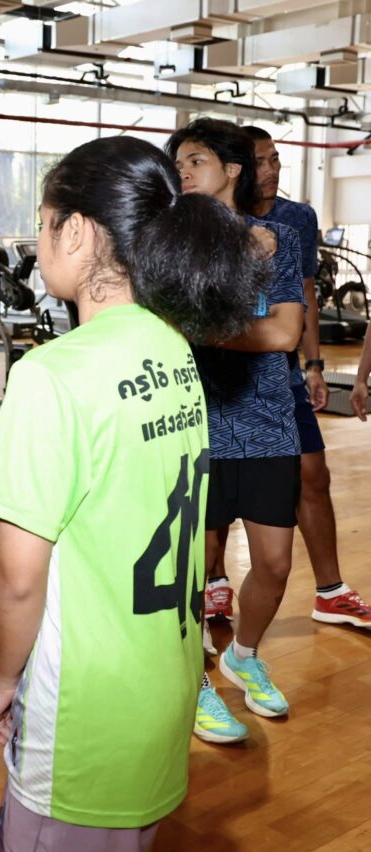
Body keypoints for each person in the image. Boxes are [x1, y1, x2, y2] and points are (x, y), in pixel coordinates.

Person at [0, 136, 266, 852]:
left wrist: (5, 680)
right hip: (162, 687)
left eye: (43, 224)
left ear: (76, 232)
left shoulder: (51, 376)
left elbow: (18, 577)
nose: (38, 243)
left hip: (83, 715)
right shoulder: (177, 352)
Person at [167, 118, 304, 743]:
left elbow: (286, 332)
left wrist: (201, 331)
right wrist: (232, 329)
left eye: (196, 160)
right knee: (193, 573)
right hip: (193, 424)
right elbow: (177, 327)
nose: (184, 171)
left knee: (275, 561)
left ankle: (242, 656)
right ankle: (191, 680)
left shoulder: (279, 239)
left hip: (268, 421)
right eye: (178, 163)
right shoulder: (170, 244)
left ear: (231, 170)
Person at [202, 127, 370, 630]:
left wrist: (313, 365)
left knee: (313, 473)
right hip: (217, 379)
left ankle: (330, 590)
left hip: (279, 372)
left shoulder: (296, 219)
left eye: (276, 159)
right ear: (235, 168)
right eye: (261, 160)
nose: (271, 169)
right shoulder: (201, 222)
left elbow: (305, 298)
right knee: (215, 493)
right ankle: (214, 582)